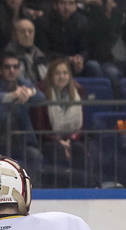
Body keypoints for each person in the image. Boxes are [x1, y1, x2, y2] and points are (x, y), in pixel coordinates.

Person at [0, 52, 44, 175]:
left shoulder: (23, 83)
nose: (12, 70)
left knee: (35, 156)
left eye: (15, 67)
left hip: (20, 141)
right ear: (0, 70)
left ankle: (32, 192)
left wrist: (30, 92)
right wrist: (11, 96)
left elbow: (41, 97)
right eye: (7, 67)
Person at [32, 56, 92, 186]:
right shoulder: (42, 94)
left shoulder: (77, 93)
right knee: (57, 151)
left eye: (65, 73)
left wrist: (70, 140)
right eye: (57, 73)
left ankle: (79, 191)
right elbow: (39, 126)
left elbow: (81, 127)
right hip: (48, 140)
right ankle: (60, 190)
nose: (62, 76)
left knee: (79, 150)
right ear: (50, 76)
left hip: (72, 139)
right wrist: (59, 140)